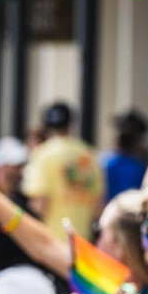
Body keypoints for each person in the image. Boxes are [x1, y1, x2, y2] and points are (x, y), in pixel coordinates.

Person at [20, 101, 104, 240]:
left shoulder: (43, 154)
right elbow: (98, 206)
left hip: (53, 240)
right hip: (83, 241)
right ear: (71, 124)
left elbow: (39, 204)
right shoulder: (90, 155)